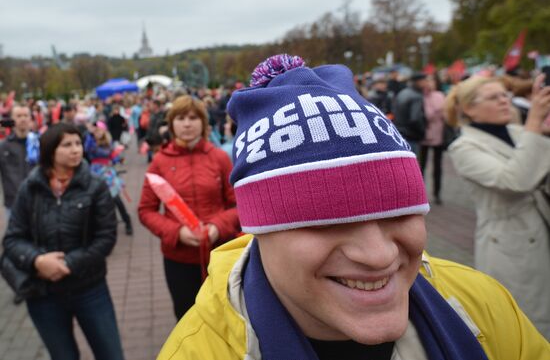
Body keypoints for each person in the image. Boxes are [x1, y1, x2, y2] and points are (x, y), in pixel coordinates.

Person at [157, 55, 549, 360]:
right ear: (258, 229)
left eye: (398, 210)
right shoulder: (196, 350)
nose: (378, 255)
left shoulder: (484, 303)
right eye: (323, 221)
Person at [2, 123, 125, 360]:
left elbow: (106, 238)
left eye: (78, 143)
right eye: (67, 144)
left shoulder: (95, 186)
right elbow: (12, 239)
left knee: (111, 353)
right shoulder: (31, 188)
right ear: (50, 150)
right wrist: (37, 261)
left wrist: (67, 263)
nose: (75, 150)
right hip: (43, 293)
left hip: (90, 288)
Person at [445, 75, 550, 339]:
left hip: (542, 228)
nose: (505, 101)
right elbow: (515, 181)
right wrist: (535, 122)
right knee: (529, 322)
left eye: (505, 95)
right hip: (511, 244)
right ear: (469, 109)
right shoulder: (464, 147)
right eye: (494, 97)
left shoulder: (518, 132)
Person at [138, 95, 240, 320]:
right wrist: (176, 232)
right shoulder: (159, 162)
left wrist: (217, 226)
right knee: (187, 317)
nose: (187, 124)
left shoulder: (220, 158)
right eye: (181, 118)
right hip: (178, 258)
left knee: (225, 315)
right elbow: (146, 210)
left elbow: (237, 205)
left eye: (193, 118)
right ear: (171, 123)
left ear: (203, 123)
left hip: (219, 254)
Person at [84, 121, 133, 235]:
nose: (97, 132)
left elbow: (113, 157)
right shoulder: (90, 142)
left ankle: (127, 221)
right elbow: (87, 148)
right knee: (95, 200)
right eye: (95, 130)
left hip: (108, 174)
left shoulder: (108, 143)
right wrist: (90, 134)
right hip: (94, 173)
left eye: (99, 129)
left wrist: (118, 158)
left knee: (116, 199)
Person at [0, 103, 35, 217]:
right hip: (13, 204)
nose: (23, 119)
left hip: (37, 202)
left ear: (30, 118)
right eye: (19, 116)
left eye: (25, 115)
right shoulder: (4, 146)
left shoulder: (38, 143)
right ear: (12, 120)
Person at [418, 74, 446, 204]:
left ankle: (437, 193)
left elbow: (444, 113)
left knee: (437, 166)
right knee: (421, 165)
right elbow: (428, 115)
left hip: (438, 134)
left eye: (432, 81)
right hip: (424, 135)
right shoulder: (420, 96)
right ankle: (420, 193)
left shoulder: (440, 95)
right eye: (427, 81)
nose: (429, 83)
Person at [394, 72, 428, 155]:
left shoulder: (402, 92)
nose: (426, 83)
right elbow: (415, 119)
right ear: (418, 82)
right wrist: (422, 132)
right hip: (411, 136)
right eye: (424, 81)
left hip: (400, 134)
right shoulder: (416, 96)